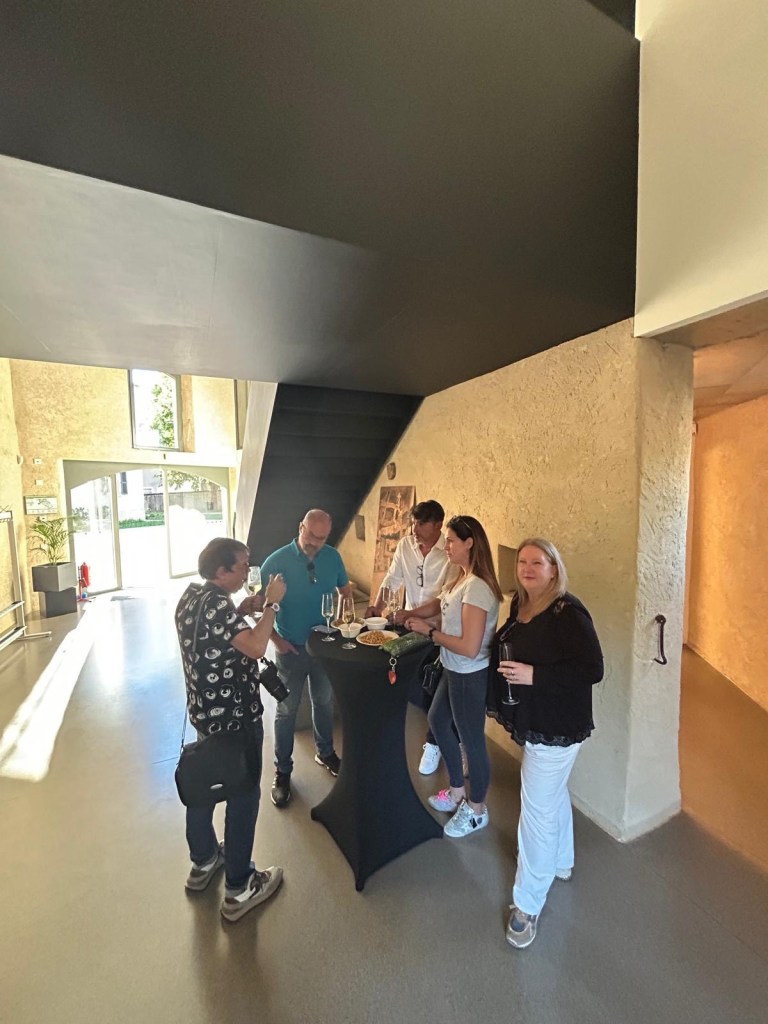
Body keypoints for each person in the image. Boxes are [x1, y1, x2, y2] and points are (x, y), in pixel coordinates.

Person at [487, 538, 603, 950]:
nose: (528, 568)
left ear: (554, 568)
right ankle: (561, 862)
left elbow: (592, 669)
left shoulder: (566, 611)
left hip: (557, 726)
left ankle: (527, 904)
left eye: (538, 562)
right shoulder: (522, 604)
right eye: (522, 561)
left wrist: (534, 676)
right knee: (551, 795)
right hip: (537, 720)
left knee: (535, 812)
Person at [175, 537, 287, 923]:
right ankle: (240, 887)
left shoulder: (192, 597)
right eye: (241, 567)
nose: (246, 572)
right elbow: (255, 647)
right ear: (222, 571)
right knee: (243, 794)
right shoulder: (219, 605)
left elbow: (214, 632)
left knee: (204, 785)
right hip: (236, 719)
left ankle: (204, 860)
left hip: (204, 714)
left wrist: (243, 608)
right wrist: (271, 604)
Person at [406, 515, 502, 838]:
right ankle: (458, 791)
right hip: (453, 668)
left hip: (468, 674)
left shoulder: (477, 588)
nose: (445, 546)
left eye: (450, 540)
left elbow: (470, 647)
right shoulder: (461, 577)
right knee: (437, 719)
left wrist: (430, 632)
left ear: (469, 543)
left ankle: (477, 810)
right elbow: (442, 606)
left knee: (472, 742)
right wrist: (412, 615)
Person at [260, 509, 354, 808]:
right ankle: (282, 771)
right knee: (286, 711)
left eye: (322, 538)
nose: (315, 543)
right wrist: (277, 641)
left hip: (324, 646)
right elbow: (262, 608)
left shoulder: (333, 557)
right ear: (301, 527)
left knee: (323, 702)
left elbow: (346, 591)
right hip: (291, 649)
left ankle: (325, 752)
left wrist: (343, 619)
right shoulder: (275, 562)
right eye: (311, 535)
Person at [366, 499, 460, 775]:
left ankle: (435, 744)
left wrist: (411, 614)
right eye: (413, 523)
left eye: (420, 524)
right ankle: (440, 735)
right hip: (410, 626)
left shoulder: (450, 552)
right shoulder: (406, 545)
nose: (414, 530)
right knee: (416, 686)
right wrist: (377, 608)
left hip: (440, 630)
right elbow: (392, 579)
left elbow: (444, 599)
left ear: (438, 525)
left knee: (436, 690)